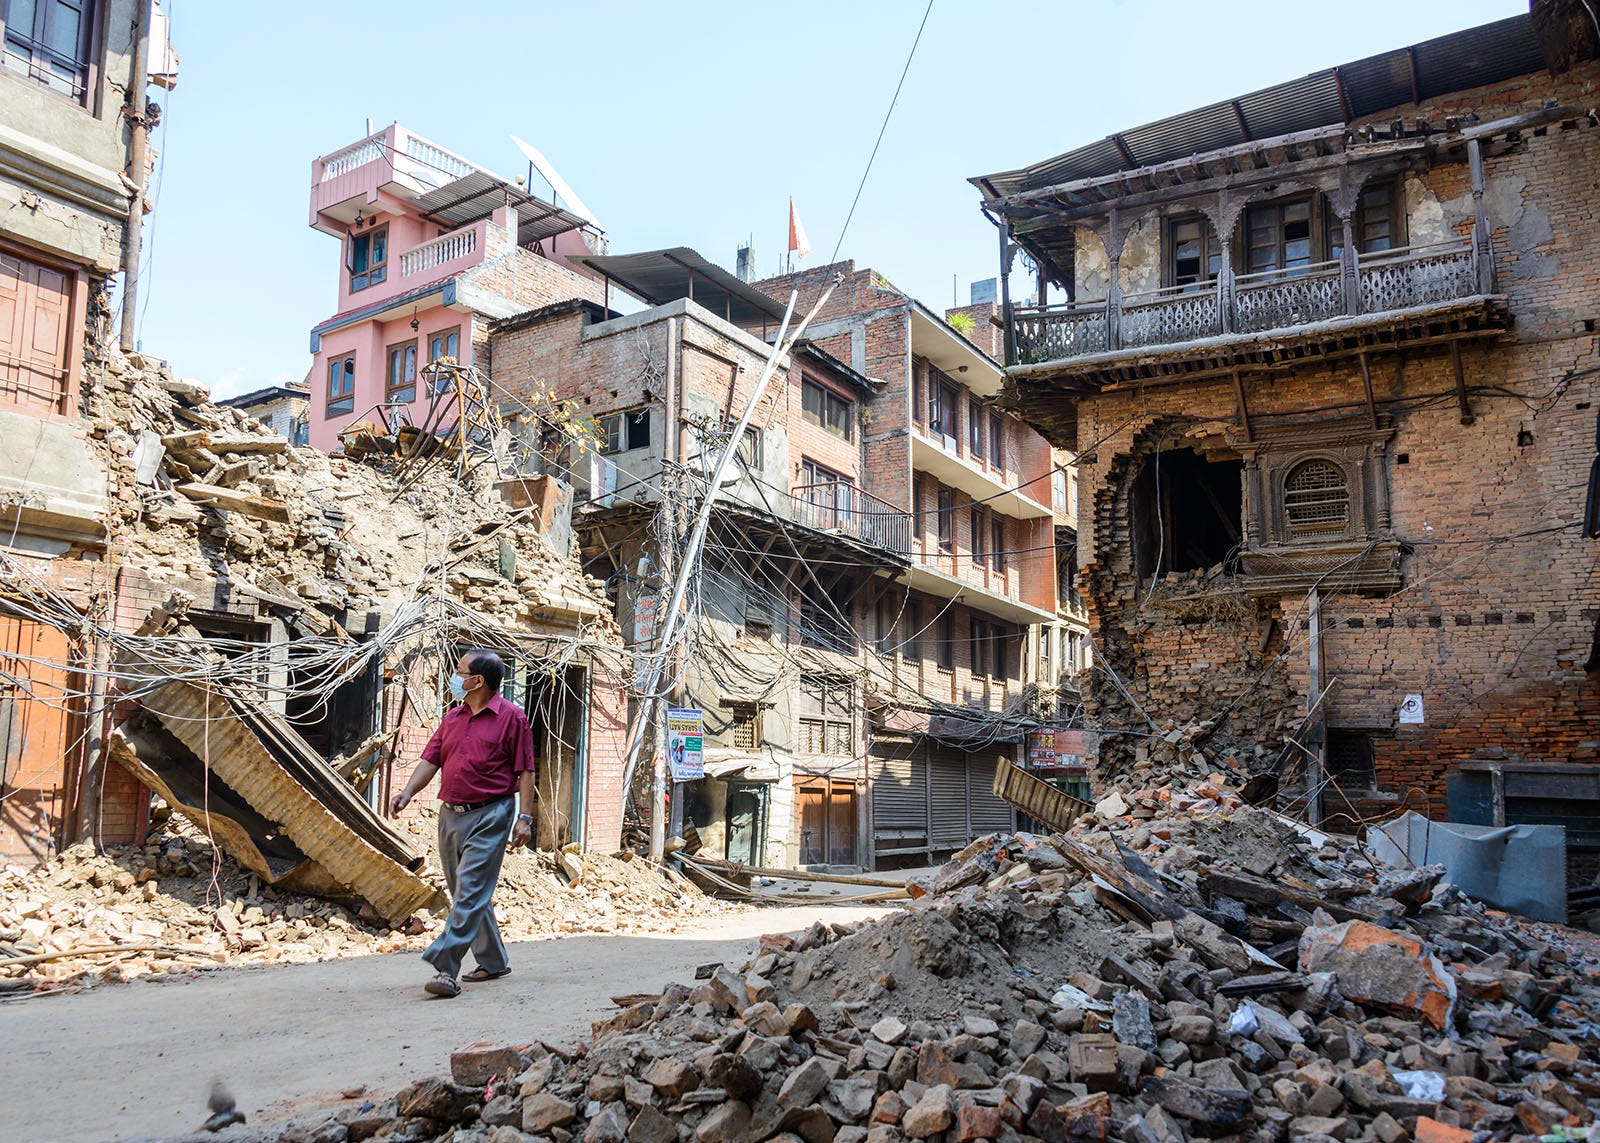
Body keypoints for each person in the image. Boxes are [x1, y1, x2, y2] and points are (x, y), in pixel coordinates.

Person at [389, 649, 535, 999]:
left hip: (491, 813)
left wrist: (524, 818)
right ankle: (494, 960)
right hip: (451, 814)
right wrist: (408, 791)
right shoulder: (453, 717)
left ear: (478, 681)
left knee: (469, 891)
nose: (455, 677)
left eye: (460, 671)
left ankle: (446, 966)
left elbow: (526, 770)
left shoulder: (512, 718)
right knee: (467, 892)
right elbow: (431, 759)